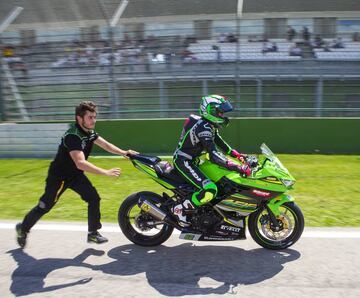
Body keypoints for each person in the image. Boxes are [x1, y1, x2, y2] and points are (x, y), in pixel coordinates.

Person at [16, 101, 138, 248]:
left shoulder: (89, 132)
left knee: (93, 198)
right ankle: (22, 229)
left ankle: (93, 233)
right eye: (90, 117)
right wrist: (105, 172)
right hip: (59, 177)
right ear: (80, 119)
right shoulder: (73, 136)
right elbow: (80, 162)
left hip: (75, 175)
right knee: (45, 206)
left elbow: (105, 145)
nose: (93, 120)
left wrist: (123, 153)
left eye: (94, 117)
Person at [172, 95, 251, 225]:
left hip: (193, 161)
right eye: (220, 112)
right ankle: (181, 209)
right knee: (210, 189)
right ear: (211, 111)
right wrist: (238, 167)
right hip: (183, 161)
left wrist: (238, 155)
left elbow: (220, 143)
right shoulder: (203, 128)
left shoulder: (208, 125)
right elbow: (214, 156)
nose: (222, 115)